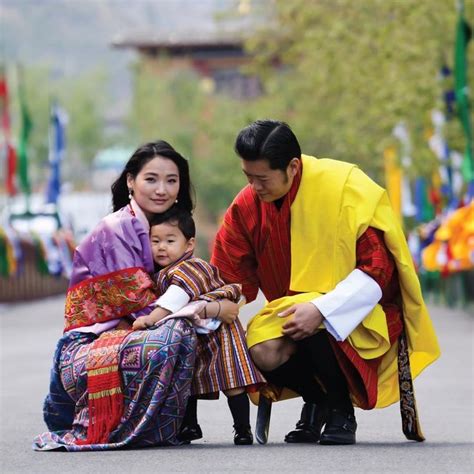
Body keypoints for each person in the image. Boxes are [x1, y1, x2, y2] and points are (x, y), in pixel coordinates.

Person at [211, 120, 441, 445]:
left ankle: (340, 409)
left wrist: (322, 307)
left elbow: (377, 270)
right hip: (290, 317)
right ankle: (319, 399)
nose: (254, 187)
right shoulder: (246, 206)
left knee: (313, 320)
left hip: (358, 313)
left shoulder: (344, 187)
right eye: (248, 177)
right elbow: (228, 278)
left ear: (292, 167)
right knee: (258, 350)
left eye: (262, 178)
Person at [33, 140, 257, 451]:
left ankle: (190, 422)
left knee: (205, 330)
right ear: (130, 181)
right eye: (151, 179)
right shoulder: (117, 229)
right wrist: (214, 308)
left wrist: (213, 307)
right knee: (175, 331)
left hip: (132, 335)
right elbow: (148, 312)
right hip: (90, 347)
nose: (162, 189)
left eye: (172, 180)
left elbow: (187, 287)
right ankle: (158, 424)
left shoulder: (162, 228)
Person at [132, 208, 255, 444]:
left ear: (188, 245)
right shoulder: (162, 272)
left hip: (220, 333)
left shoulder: (190, 267)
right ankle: (189, 425)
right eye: (155, 241)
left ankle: (242, 428)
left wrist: (150, 319)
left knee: (231, 382)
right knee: (186, 379)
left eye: (170, 241)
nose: (161, 247)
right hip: (193, 334)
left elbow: (176, 298)